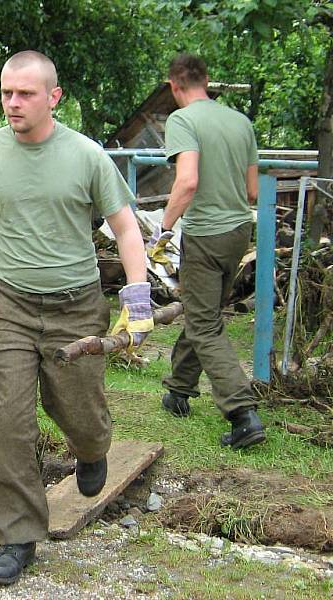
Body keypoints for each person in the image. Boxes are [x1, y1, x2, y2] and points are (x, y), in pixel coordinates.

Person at [0, 50, 150, 586]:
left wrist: (137, 294)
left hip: (76, 306)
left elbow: (124, 226)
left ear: (53, 97)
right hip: (8, 302)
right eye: (6, 92)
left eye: (25, 93)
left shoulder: (86, 156)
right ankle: (17, 534)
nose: (13, 103)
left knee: (78, 408)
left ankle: (92, 449)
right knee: (4, 417)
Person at [151, 53, 266, 450]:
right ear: (207, 79)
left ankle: (242, 414)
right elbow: (253, 191)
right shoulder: (240, 121)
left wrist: (163, 228)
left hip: (205, 233)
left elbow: (187, 182)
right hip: (238, 231)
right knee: (204, 312)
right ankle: (179, 390)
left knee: (203, 325)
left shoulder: (183, 120)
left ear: (173, 86)